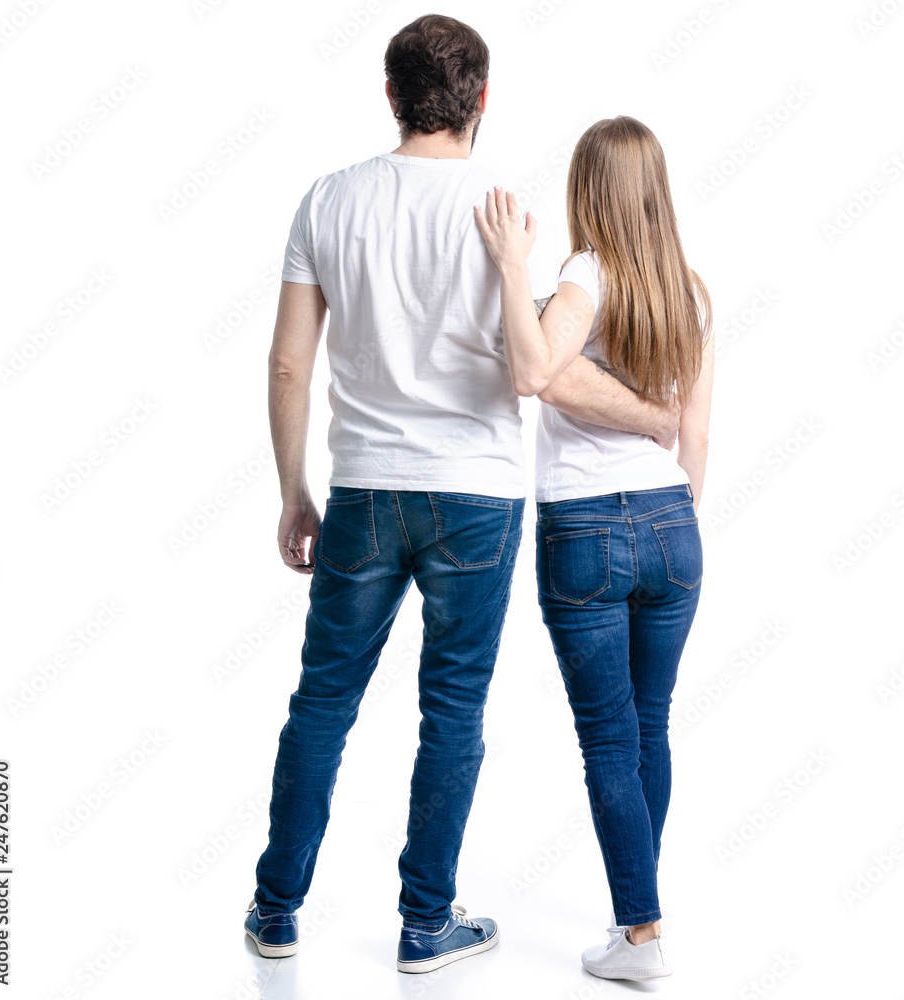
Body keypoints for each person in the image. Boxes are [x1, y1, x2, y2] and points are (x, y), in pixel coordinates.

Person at [245, 19, 681, 973]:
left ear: (390, 95)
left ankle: (276, 912)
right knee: (453, 712)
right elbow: (542, 368)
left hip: (362, 489)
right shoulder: (506, 217)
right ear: (482, 100)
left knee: (322, 703)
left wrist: (292, 489)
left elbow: (288, 361)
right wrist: (660, 417)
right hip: (478, 498)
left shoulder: (327, 199)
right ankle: (424, 922)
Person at [475, 115, 714, 982]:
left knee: (610, 739)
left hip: (585, 527)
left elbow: (535, 369)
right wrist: (675, 514)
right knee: (650, 725)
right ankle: (636, 921)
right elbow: (696, 437)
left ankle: (640, 934)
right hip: (673, 526)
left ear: (589, 189)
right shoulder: (688, 290)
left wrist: (512, 270)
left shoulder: (586, 270)